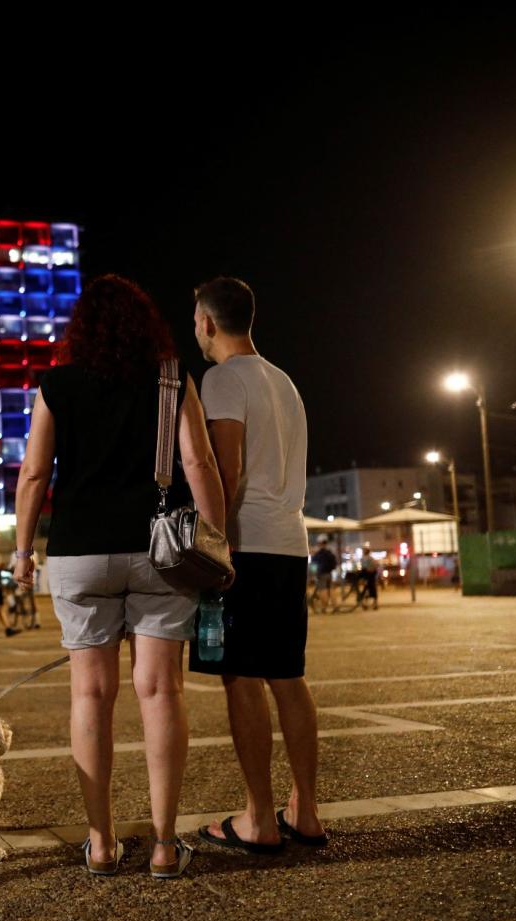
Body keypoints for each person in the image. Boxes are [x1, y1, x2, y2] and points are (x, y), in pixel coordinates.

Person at [13, 274, 226, 879]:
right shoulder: (169, 376)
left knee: (91, 694)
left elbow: (34, 474)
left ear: (81, 328)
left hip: (79, 552)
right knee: (160, 693)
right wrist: (216, 544)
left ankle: (101, 842)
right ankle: (162, 845)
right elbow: (198, 461)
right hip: (158, 549)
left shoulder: (56, 384)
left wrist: (23, 549)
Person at [189, 276, 327, 854]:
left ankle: (258, 818)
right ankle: (308, 812)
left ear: (208, 324)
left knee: (241, 677)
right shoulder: (285, 382)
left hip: (245, 544)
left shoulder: (222, 379)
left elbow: (227, 470)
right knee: (288, 678)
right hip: (290, 542)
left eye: (196, 318)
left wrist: (212, 546)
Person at [310, 536, 338, 609]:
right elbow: (335, 563)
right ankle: (335, 605)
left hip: (321, 574)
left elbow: (313, 565)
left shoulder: (318, 554)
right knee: (331, 589)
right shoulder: (330, 553)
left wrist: (313, 574)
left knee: (323, 590)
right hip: (329, 573)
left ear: (320, 544)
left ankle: (324, 606)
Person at [358, 545, 379, 610]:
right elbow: (375, 567)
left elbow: (369, 568)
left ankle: (367, 604)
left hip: (368, 577)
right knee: (370, 590)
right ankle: (372, 604)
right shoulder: (369, 559)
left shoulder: (366, 559)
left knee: (367, 590)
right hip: (370, 577)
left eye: (364, 550)